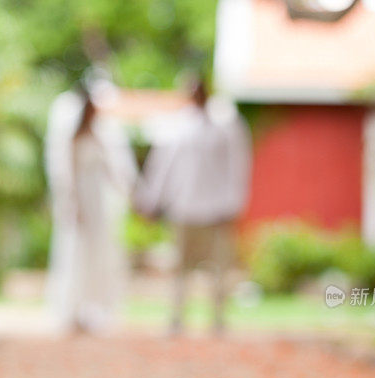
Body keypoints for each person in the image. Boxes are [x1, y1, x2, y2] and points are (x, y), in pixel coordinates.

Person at [135, 79, 252, 332]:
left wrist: (233, 204)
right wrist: (150, 201)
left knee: (219, 268)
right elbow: (162, 168)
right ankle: (177, 316)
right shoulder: (176, 127)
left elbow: (237, 167)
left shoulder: (226, 124)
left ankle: (218, 318)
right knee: (180, 268)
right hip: (183, 208)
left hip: (215, 210)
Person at [45, 86, 136, 333]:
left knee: (99, 254)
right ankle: (72, 309)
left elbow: (112, 171)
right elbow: (69, 174)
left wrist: (131, 193)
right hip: (82, 200)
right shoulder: (74, 139)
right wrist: (72, 204)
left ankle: (94, 308)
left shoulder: (99, 137)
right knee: (77, 253)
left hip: (98, 202)